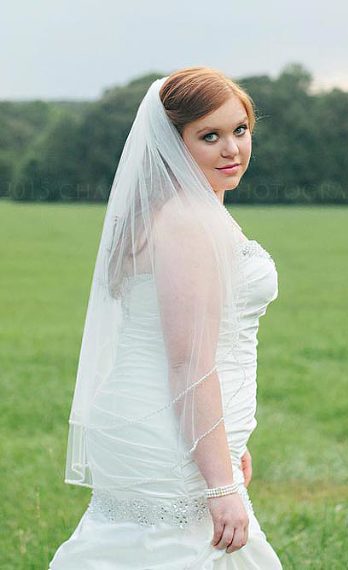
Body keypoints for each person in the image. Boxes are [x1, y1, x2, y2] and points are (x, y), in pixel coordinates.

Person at [49, 67, 282, 569]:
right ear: (173, 145)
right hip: (165, 432)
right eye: (209, 136)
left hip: (181, 428)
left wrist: (226, 447)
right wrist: (219, 483)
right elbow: (190, 364)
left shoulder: (185, 212)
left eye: (239, 130)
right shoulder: (186, 223)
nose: (232, 150)